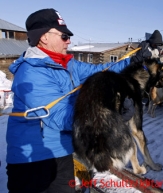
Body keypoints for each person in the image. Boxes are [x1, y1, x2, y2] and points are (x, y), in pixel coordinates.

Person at [5, 8, 149, 193]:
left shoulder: (67, 64)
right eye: (64, 36)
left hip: (62, 152)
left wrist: (133, 60)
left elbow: (101, 71)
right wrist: (112, 114)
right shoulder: (31, 73)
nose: (69, 40)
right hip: (34, 161)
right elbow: (59, 116)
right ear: (43, 37)